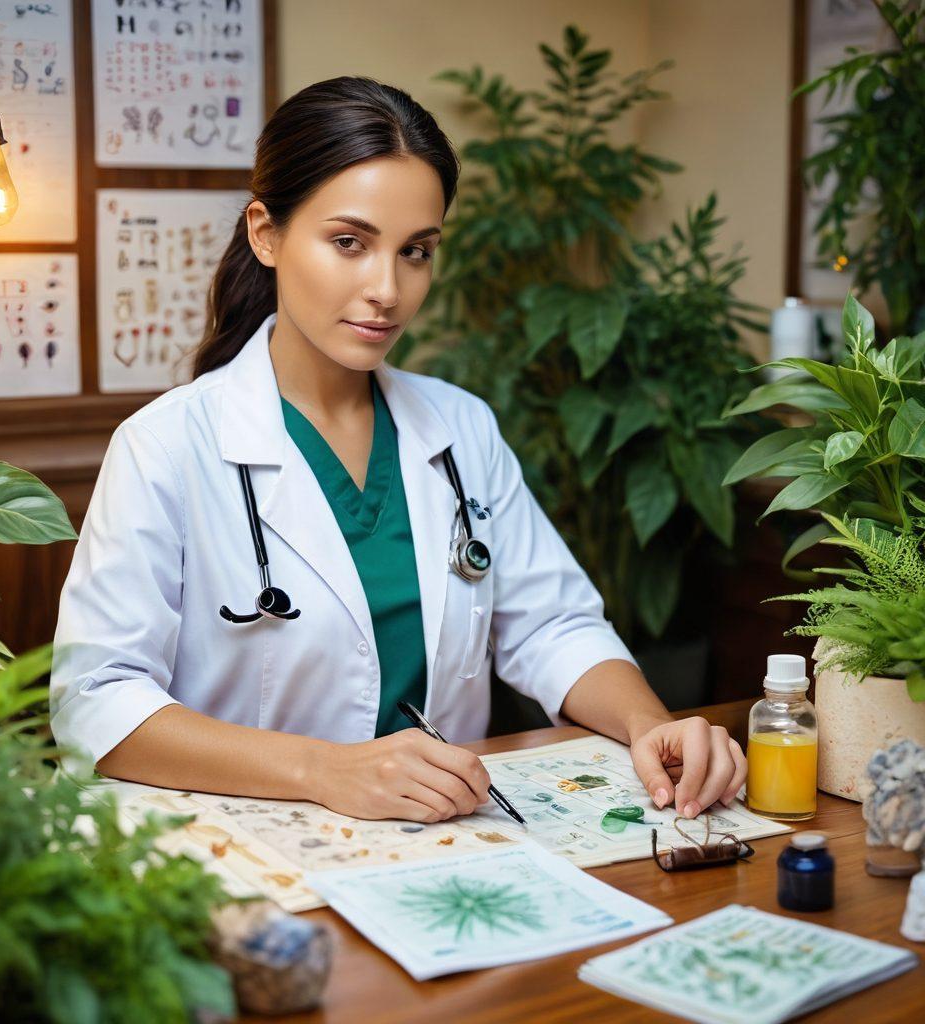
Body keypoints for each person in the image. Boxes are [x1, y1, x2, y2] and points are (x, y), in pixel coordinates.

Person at [50, 76, 746, 825]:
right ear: (266, 233)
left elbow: (551, 623)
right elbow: (97, 700)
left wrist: (649, 724)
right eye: (349, 243)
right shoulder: (164, 447)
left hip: (444, 844)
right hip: (244, 846)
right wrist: (323, 770)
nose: (388, 288)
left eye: (416, 251)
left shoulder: (460, 427)